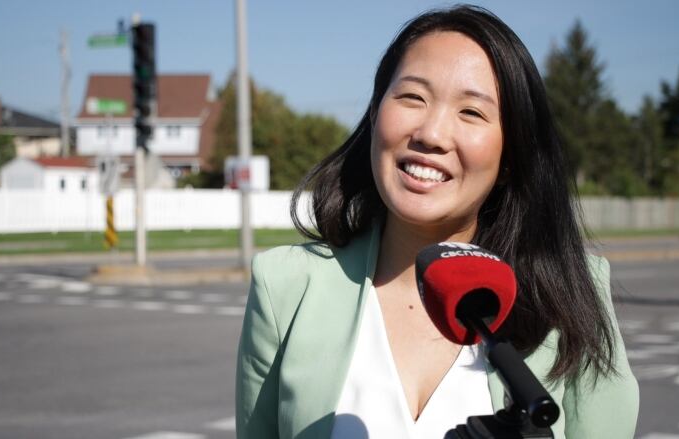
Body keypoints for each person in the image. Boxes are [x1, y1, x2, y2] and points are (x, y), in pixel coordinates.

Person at [236, 5, 639, 439]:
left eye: (471, 112)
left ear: (510, 156)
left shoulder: (573, 294)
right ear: (375, 115)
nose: (430, 133)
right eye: (412, 97)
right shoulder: (285, 286)